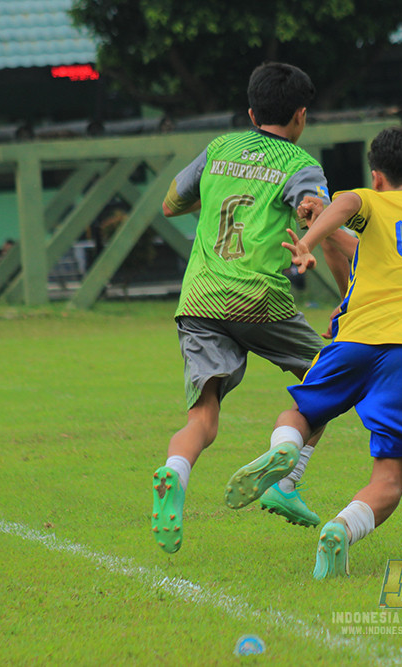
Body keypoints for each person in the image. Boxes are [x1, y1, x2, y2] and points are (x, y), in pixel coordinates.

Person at [222, 126, 402, 579]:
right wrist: (325, 227)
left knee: (302, 411)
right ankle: (340, 528)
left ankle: (286, 453)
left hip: (357, 338)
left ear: (376, 178)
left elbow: (351, 205)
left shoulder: (370, 200)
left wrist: (312, 235)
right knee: (391, 477)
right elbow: (386, 250)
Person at [151, 62, 354, 555]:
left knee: (205, 417)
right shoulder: (300, 163)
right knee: (331, 376)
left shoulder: (218, 149)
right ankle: (287, 476)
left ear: (250, 111)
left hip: (199, 298)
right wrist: (307, 209)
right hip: (258, 297)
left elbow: (171, 204)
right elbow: (312, 205)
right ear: (301, 116)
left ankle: (174, 472)